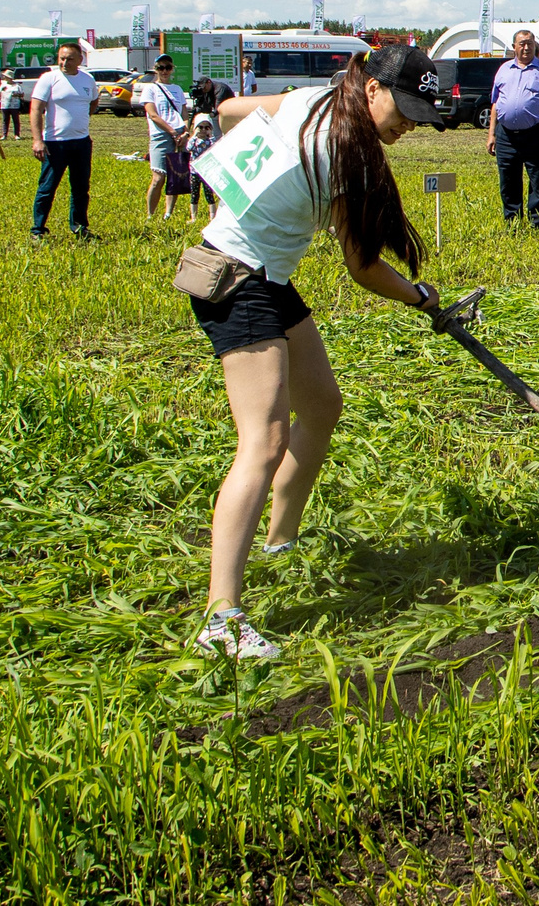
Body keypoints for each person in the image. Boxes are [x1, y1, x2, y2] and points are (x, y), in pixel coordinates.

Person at [185, 43, 448, 660]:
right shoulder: (346, 155)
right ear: (374, 88)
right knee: (264, 440)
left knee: (323, 407)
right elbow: (361, 266)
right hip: (234, 277)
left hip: (266, 274)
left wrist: (212, 120)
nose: (406, 126)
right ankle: (220, 619)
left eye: (419, 116)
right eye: (403, 110)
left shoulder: (315, 100)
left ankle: (280, 543)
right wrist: (420, 297)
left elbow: (235, 112)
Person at [486, 30, 539, 228]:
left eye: (529, 43)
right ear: (514, 47)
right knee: (508, 179)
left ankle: (537, 222)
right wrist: (491, 134)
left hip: (536, 133)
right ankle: (512, 221)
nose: (526, 47)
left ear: (534, 45)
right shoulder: (503, 70)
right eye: (521, 44)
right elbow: (495, 103)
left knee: (538, 179)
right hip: (505, 135)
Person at [29, 41, 100, 239]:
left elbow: (93, 102)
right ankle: (38, 229)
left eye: (69, 59)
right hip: (55, 143)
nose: (64, 62)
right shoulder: (49, 79)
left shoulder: (87, 80)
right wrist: (37, 140)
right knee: (47, 188)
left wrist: (82, 118)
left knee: (80, 188)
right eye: (61, 58)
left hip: (82, 142)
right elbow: (35, 109)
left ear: (80, 60)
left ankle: (79, 228)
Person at [140, 54, 194, 220]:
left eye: (167, 67)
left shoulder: (177, 89)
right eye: (160, 68)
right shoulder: (150, 89)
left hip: (179, 135)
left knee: (174, 176)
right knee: (159, 176)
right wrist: (172, 132)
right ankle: (150, 215)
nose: (164, 71)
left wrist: (185, 132)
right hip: (161, 135)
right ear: (155, 70)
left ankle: (168, 213)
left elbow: (184, 113)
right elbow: (153, 115)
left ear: (172, 69)